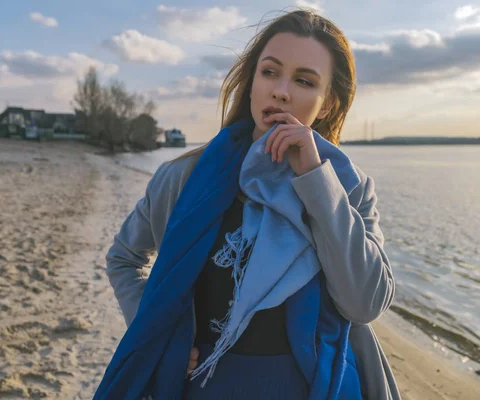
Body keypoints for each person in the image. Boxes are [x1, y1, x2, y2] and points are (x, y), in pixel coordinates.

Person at [95, 9, 400, 400]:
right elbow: (124, 258)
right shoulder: (186, 179)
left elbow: (364, 304)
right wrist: (157, 334)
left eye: (304, 80)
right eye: (270, 72)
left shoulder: (349, 189)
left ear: (326, 104)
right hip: (200, 387)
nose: (281, 91)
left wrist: (315, 178)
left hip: (311, 388)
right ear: (252, 83)